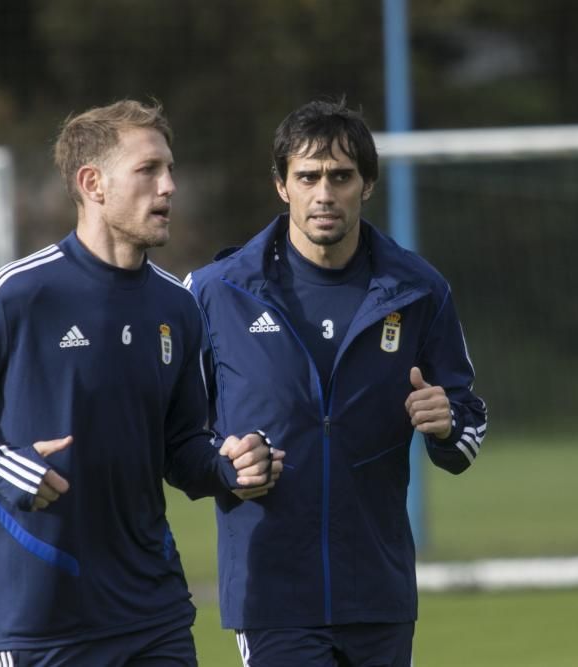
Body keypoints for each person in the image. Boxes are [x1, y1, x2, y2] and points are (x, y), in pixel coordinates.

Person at [0, 99, 283, 666]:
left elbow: (181, 448)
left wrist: (231, 466)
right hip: (46, 620)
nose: (170, 185)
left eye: (170, 168)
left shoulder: (177, 307)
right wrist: (8, 465)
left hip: (155, 612)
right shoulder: (20, 293)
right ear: (93, 183)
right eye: (149, 169)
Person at [184, 98, 487, 666]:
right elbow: (178, 435)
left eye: (341, 176)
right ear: (282, 185)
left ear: (366, 184)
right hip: (272, 592)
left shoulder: (419, 289)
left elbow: (468, 424)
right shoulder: (215, 291)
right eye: (308, 176)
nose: (324, 193)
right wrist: (225, 467)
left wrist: (447, 425)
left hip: (378, 590)